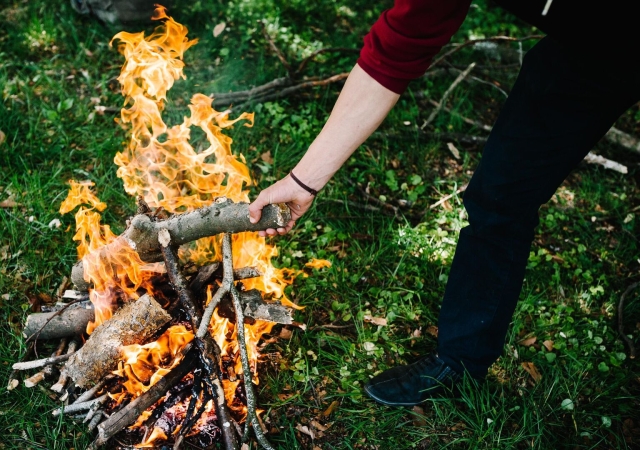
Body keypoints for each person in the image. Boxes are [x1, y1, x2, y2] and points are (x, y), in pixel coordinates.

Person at [248, 0, 639, 406]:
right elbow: (396, 49)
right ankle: (460, 362)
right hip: (587, 46)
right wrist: (303, 182)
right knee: (500, 194)